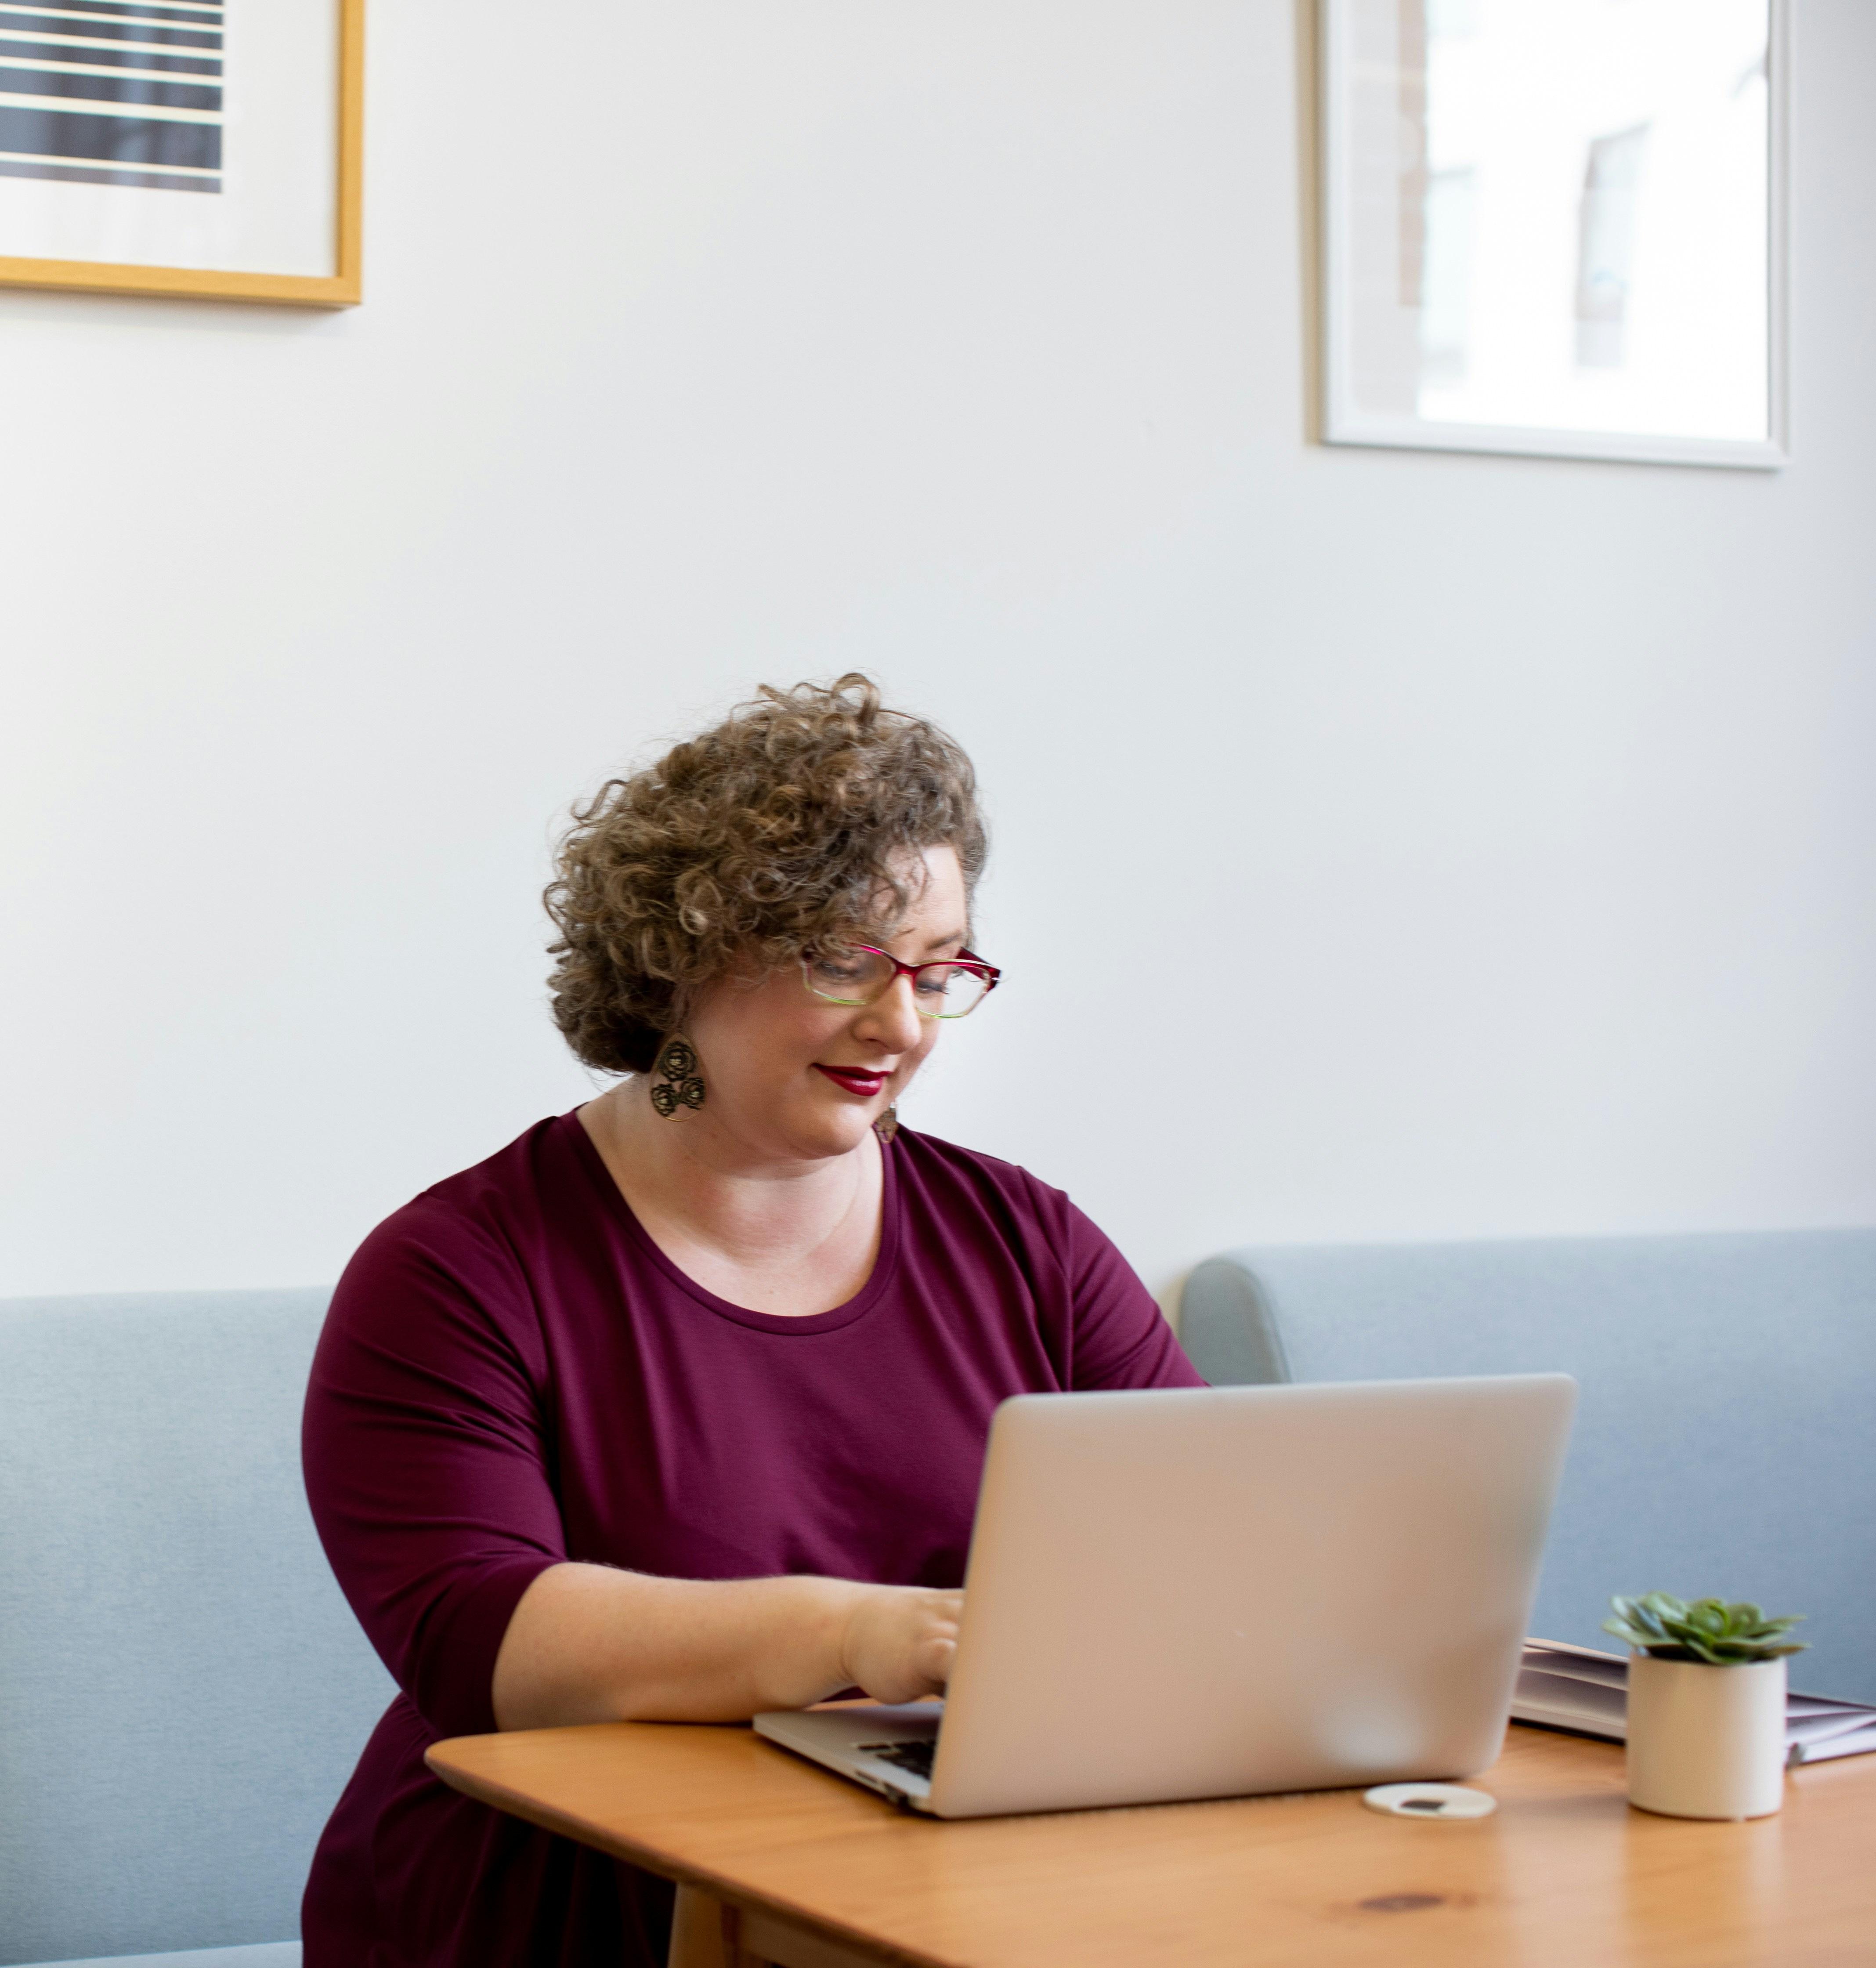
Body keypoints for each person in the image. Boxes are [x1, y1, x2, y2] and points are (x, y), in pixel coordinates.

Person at [297, 676, 1204, 1967]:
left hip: (935, 1883)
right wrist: (853, 1631)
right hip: (570, 1907)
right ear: (685, 952)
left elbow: (1208, 1540)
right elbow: (485, 1640)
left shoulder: (1027, 1240)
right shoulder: (453, 1272)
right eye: (847, 962)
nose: (903, 1024)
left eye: (940, 973)